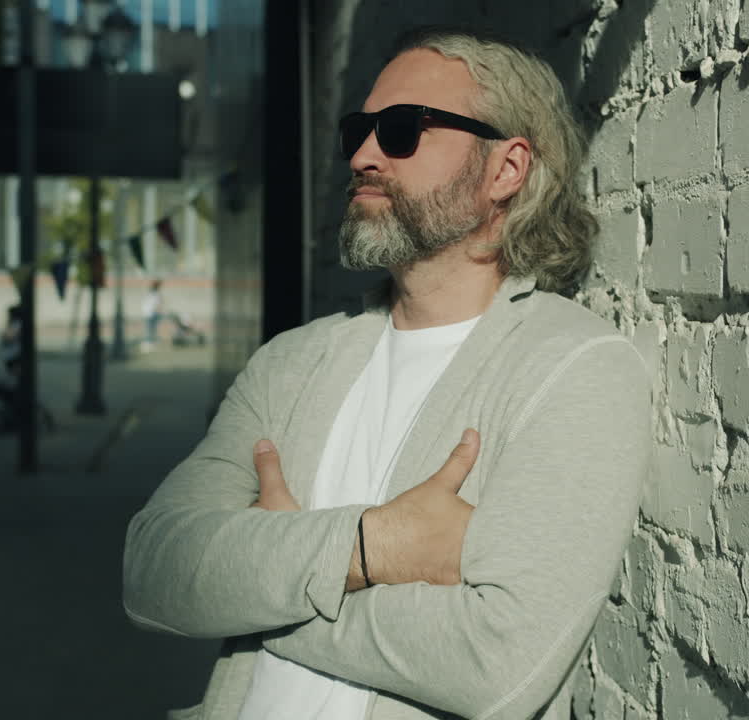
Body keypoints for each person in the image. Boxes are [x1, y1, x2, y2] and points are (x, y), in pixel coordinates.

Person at [123, 26, 648, 720]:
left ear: (506, 170)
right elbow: (154, 571)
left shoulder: (570, 367)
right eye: (359, 129)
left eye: (402, 129)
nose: (365, 154)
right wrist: (373, 546)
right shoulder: (292, 362)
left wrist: (264, 578)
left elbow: (496, 668)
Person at [142, 278, 163, 350]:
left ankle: (149, 342)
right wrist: (159, 311)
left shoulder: (150, 293)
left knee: (149, 328)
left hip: (147, 312)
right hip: (152, 313)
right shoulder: (155, 294)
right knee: (151, 328)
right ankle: (149, 343)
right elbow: (157, 304)